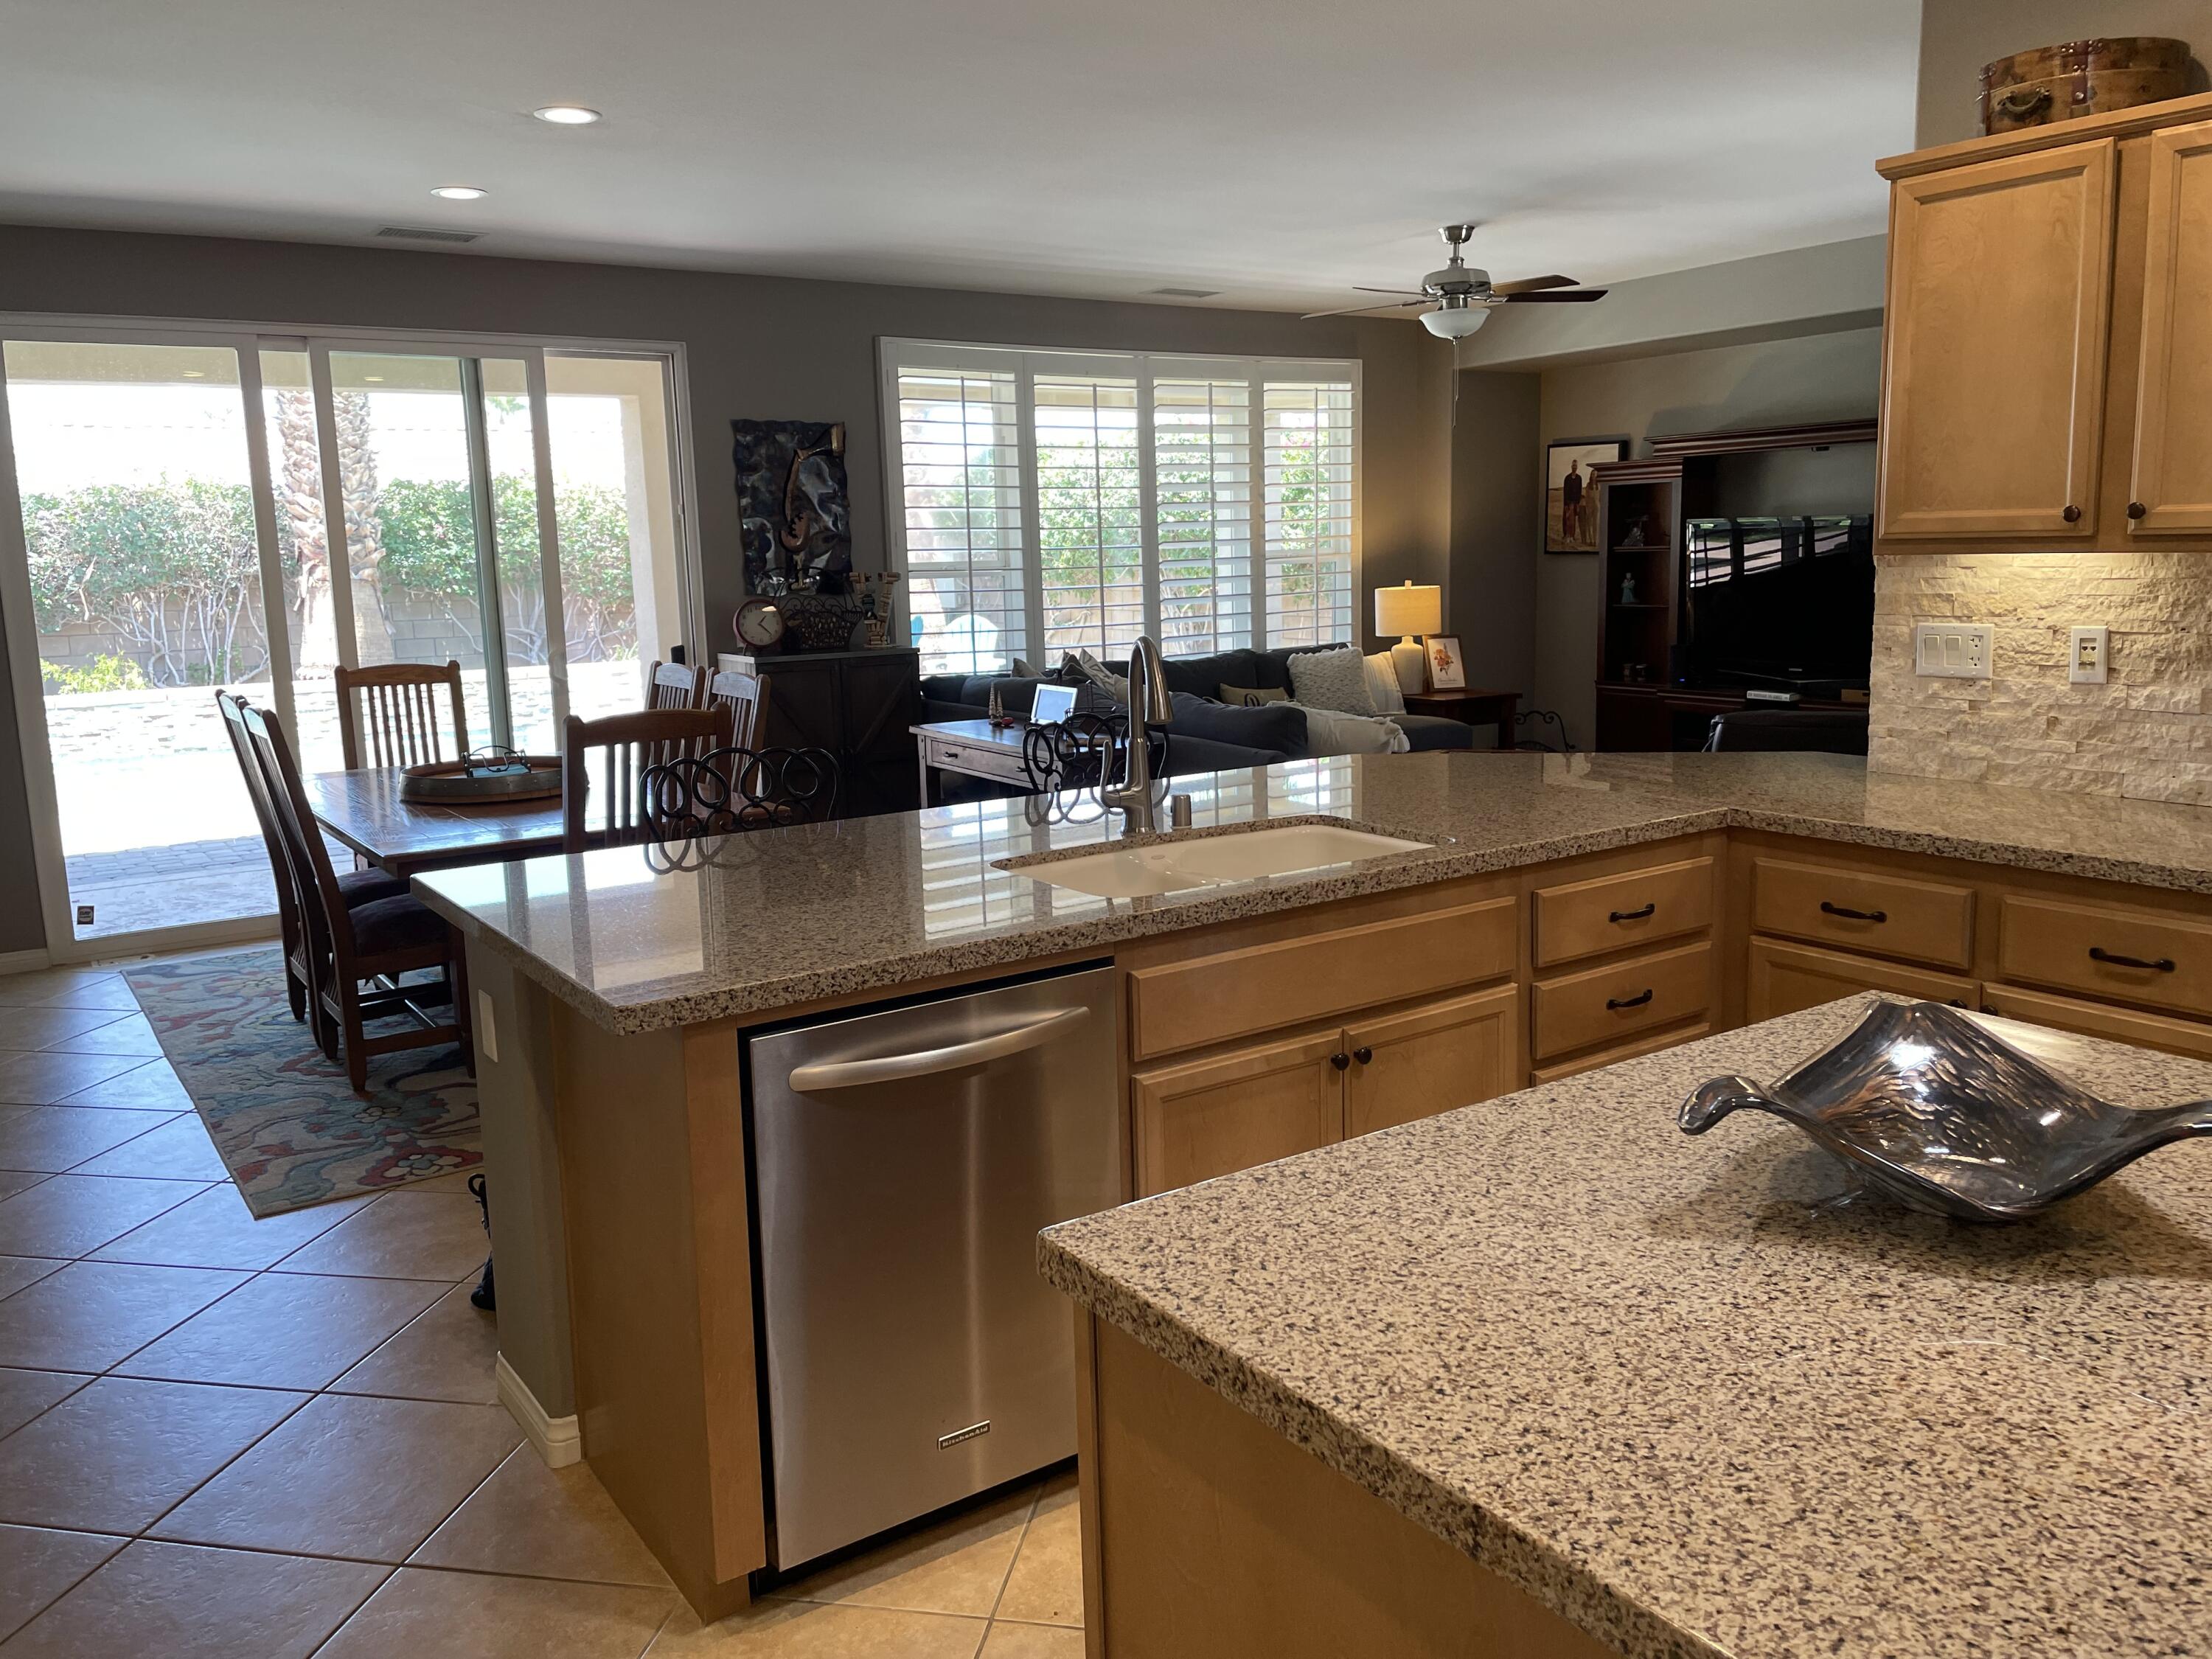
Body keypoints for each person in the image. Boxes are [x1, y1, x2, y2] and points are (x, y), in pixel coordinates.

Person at [1560, 459, 1585, 546]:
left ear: (1577, 467)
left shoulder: (1579, 478)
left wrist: (1578, 503)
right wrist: (1565, 504)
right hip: (1568, 502)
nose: (1574, 467)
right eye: (1573, 466)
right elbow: (1565, 492)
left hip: (1575, 502)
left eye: (1576, 466)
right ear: (1571, 467)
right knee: (1567, 519)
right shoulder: (1567, 478)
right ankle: (1567, 535)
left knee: (1573, 521)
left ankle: (1572, 536)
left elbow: (1579, 491)